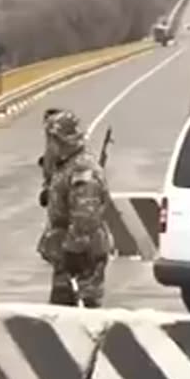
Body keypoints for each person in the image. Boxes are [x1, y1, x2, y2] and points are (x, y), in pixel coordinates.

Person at [37, 109, 112, 307]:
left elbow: (85, 216)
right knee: (61, 316)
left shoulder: (81, 169)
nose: (48, 145)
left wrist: (73, 251)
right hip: (67, 254)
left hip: (83, 257)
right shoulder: (66, 165)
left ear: (61, 140)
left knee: (86, 315)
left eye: (51, 140)